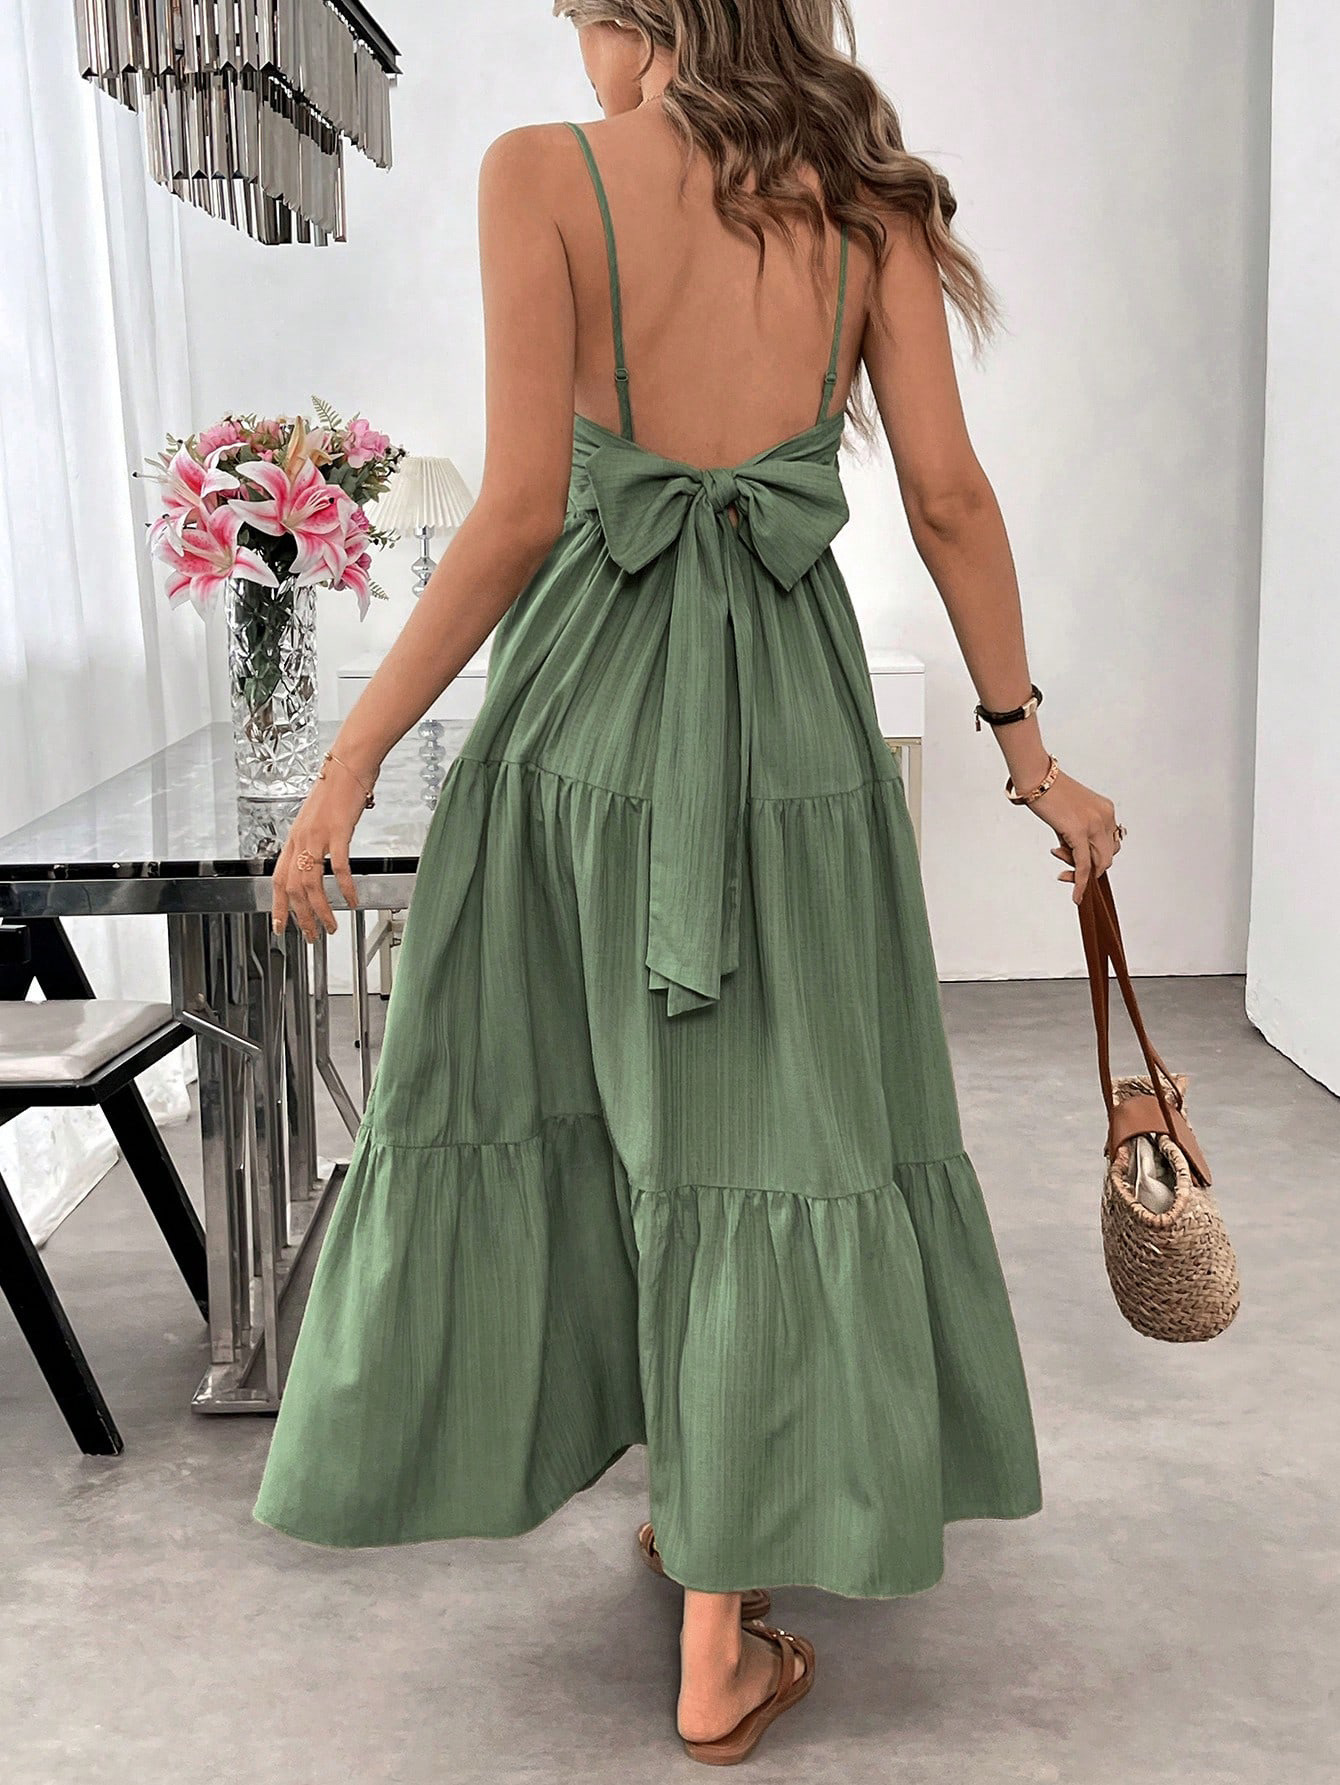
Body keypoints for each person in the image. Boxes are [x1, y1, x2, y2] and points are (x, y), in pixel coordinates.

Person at [253, 0, 1122, 1765]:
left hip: (583, 722)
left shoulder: (541, 175)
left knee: (604, 1112)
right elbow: (950, 498)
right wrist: (1030, 756)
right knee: (761, 1127)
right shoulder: (867, 199)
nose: (571, 44)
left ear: (645, 12)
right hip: (786, 732)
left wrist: (350, 763)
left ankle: (707, 1628)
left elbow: (516, 512)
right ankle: (714, 1575)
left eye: (580, 11)